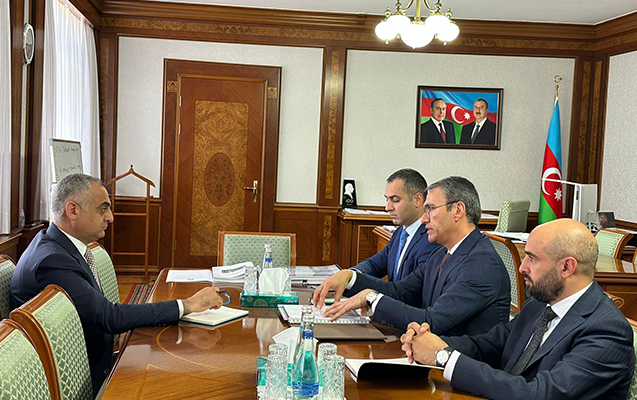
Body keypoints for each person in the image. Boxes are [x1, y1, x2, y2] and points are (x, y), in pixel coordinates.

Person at [11, 173, 225, 395]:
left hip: (94, 360)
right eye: (103, 209)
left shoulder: (56, 245)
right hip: (86, 381)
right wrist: (187, 305)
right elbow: (109, 317)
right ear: (72, 210)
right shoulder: (53, 261)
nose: (110, 217)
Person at [400, 218, 635, 400]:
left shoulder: (607, 330)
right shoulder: (541, 303)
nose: (522, 267)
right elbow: (490, 345)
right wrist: (429, 342)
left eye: (532, 258)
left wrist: (444, 357)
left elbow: (540, 394)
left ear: (567, 267)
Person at [314, 176, 510, 336]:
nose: (423, 219)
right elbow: (401, 291)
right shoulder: (442, 253)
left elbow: (433, 321)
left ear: (457, 210)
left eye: (430, 209)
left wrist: (372, 298)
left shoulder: (482, 262)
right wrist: (351, 278)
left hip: (460, 366)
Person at [351, 169, 440, 281]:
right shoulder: (400, 232)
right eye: (387, 200)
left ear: (417, 200)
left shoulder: (431, 239)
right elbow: (375, 264)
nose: (387, 208)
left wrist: (354, 282)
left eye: (395, 200)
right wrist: (350, 274)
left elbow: (407, 288)